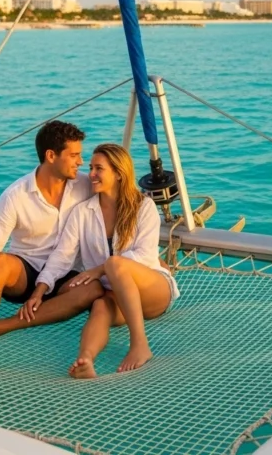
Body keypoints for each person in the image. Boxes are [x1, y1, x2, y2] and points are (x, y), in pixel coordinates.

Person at [0, 121, 103, 369]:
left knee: (93, 290)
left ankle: (2, 325)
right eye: (74, 155)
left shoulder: (85, 186)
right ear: (51, 156)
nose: (80, 162)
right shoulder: (15, 195)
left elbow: (121, 206)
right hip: (25, 275)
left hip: (66, 275)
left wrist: (144, 256)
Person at [33, 142, 180, 379]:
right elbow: (62, 256)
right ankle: (86, 360)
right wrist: (40, 289)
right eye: (90, 167)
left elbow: (145, 254)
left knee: (114, 264)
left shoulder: (144, 206)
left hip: (154, 290)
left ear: (119, 173)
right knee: (100, 306)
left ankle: (140, 345)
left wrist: (100, 269)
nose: (90, 174)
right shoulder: (82, 212)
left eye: (98, 168)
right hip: (116, 293)